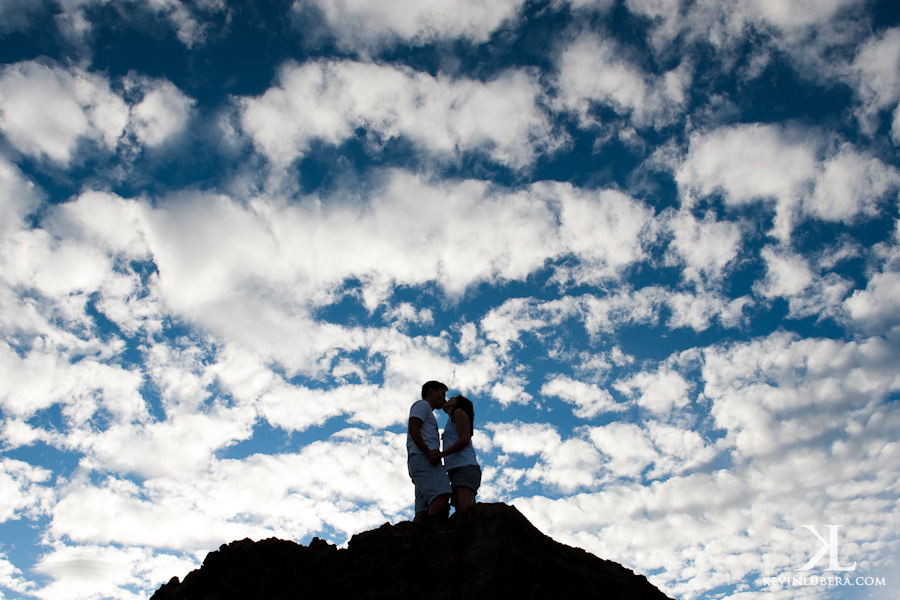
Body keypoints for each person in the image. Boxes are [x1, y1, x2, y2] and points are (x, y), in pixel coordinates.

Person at [407, 380, 452, 523]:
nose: (444, 399)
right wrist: (427, 452)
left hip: (418, 460)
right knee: (441, 495)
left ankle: (416, 540)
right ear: (431, 392)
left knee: (423, 509)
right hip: (423, 458)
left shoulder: (427, 411)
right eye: (442, 394)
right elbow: (413, 427)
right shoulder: (423, 405)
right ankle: (433, 537)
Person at [439, 394, 481, 511]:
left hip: (464, 467)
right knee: (468, 510)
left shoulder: (458, 412)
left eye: (453, 398)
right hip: (460, 469)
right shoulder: (452, 418)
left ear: (458, 402)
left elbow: (465, 440)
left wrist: (442, 454)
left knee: (463, 510)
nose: (448, 399)